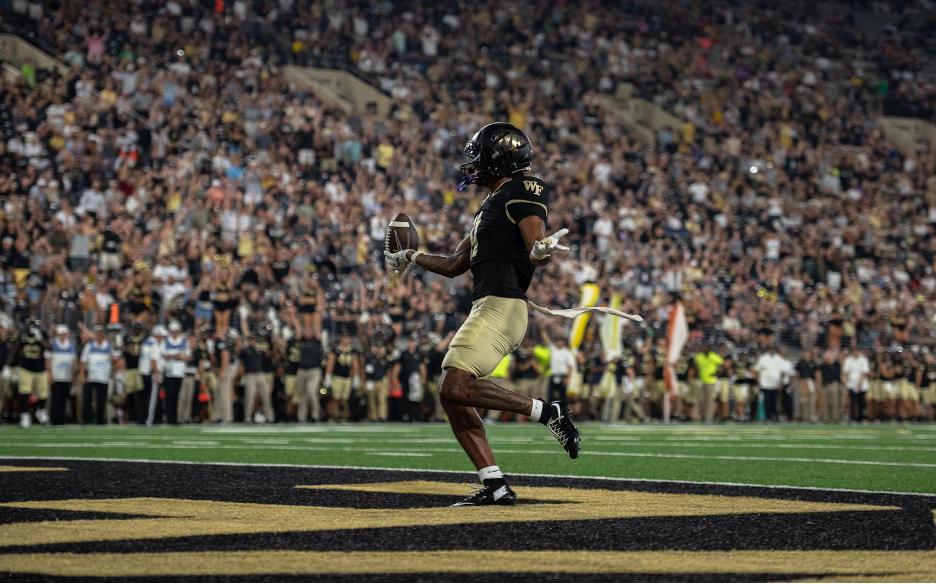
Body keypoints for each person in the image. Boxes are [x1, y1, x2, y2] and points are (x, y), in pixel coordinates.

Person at [384, 122, 579, 506]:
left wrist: (540, 250)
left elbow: (535, 240)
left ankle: (547, 411)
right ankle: (494, 484)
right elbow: (456, 263)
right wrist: (410, 256)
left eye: (478, 154)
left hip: (502, 305)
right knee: (452, 395)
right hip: (489, 305)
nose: (472, 162)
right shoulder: (490, 205)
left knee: (452, 387)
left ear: (498, 157)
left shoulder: (524, 188)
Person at [8, 316, 49, 428]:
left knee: (43, 394)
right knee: (24, 393)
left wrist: (39, 338)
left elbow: (49, 348)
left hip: (40, 369)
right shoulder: (22, 335)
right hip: (26, 369)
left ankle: (41, 412)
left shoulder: (42, 334)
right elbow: (15, 350)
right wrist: (8, 366)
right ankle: (25, 416)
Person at [79, 325, 117, 425]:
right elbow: (83, 361)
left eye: (100, 333)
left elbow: (115, 359)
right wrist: (82, 375)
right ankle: (88, 419)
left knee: (101, 400)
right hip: (91, 377)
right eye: (97, 333)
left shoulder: (108, 346)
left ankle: (100, 419)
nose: (99, 335)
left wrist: (112, 367)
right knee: (88, 399)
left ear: (103, 335)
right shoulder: (89, 346)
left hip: (103, 378)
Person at [753, 346, 794, 423]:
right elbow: (756, 370)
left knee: (774, 402)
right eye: (770, 349)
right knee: (767, 401)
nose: (772, 350)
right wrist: (758, 382)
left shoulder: (778, 358)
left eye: (773, 349)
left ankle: (773, 416)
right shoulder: (763, 358)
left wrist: (781, 382)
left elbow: (783, 371)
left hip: (775, 384)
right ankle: (767, 417)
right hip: (765, 384)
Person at [324, 333, 359, 423]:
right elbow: (330, 363)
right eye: (344, 339)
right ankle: (333, 416)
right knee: (335, 398)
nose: (346, 341)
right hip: (337, 377)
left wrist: (356, 377)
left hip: (347, 378)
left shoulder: (353, 351)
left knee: (344, 399)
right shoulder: (335, 350)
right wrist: (328, 376)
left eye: (347, 339)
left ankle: (342, 416)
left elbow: (355, 365)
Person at [161, 321, 190, 424]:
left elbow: (187, 356)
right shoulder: (166, 341)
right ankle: (168, 417)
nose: (175, 333)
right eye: (173, 331)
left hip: (179, 372)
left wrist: (179, 356)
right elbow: (164, 355)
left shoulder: (183, 341)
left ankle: (175, 418)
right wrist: (176, 355)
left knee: (177, 396)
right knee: (169, 395)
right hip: (169, 371)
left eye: (176, 331)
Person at [48, 324, 77, 425]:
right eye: (60, 334)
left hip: (66, 377)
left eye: (64, 334)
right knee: (55, 399)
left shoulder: (71, 345)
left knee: (63, 399)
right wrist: (50, 373)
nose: (62, 336)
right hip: (56, 376)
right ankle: (53, 419)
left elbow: (74, 361)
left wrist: (72, 374)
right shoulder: (52, 344)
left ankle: (61, 420)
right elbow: (48, 359)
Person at [121, 321, 148, 424]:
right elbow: (122, 350)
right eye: (135, 328)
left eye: (138, 328)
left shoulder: (145, 339)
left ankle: (140, 417)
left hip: (140, 369)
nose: (137, 330)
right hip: (129, 369)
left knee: (141, 395)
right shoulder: (127, 338)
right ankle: (131, 417)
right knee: (130, 395)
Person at [141, 325, 166, 426]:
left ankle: (143, 418)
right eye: (162, 336)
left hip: (144, 372)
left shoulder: (146, 342)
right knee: (152, 398)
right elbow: (154, 360)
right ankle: (149, 419)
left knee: (145, 397)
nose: (163, 338)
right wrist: (156, 374)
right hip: (151, 373)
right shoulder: (154, 344)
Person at [211, 329, 235, 426]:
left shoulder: (218, 341)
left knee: (224, 393)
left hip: (226, 368)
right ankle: (218, 417)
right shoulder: (217, 342)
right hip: (223, 367)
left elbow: (225, 355)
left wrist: (222, 371)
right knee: (219, 392)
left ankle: (226, 418)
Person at [693, 343, 722, 423]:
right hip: (701, 381)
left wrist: (716, 373)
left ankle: (708, 418)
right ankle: (699, 416)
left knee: (709, 401)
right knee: (700, 400)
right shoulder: (699, 356)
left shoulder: (714, 356)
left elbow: (722, 366)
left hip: (711, 381)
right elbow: (695, 367)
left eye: (706, 346)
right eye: (704, 346)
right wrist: (697, 376)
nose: (705, 348)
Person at [363, 342, 391, 422]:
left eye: (380, 348)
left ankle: (382, 416)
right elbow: (364, 371)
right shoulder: (370, 359)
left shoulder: (385, 359)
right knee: (371, 400)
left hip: (382, 381)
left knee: (382, 399)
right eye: (377, 348)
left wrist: (389, 383)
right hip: (371, 381)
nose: (378, 350)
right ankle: (373, 417)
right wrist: (364, 382)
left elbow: (389, 372)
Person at [843, 348, 870, 423]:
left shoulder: (864, 359)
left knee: (861, 402)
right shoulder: (848, 360)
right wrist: (845, 382)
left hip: (862, 384)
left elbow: (864, 373)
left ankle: (860, 418)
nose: (855, 352)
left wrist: (860, 384)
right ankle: (852, 418)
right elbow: (845, 372)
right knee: (852, 402)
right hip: (851, 384)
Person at [818, 350, 844, 423]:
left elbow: (839, 376)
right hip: (824, 385)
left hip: (833, 384)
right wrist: (819, 386)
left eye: (830, 356)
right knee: (825, 402)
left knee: (834, 401)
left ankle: (835, 417)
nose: (828, 358)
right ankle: (826, 418)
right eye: (827, 356)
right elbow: (819, 376)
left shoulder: (837, 365)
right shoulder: (822, 365)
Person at [795, 349, 818, 422]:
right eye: (806, 353)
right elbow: (797, 373)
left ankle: (811, 417)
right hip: (803, 382)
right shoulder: (800, 362)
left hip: (811, 382)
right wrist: (799, 380)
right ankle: (802, 416)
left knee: (812, 401)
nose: (807, 355)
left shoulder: (813, 362)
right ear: (804, 354)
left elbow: (817, 374)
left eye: (809, 353)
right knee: (803, 401)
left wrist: (817, 384)